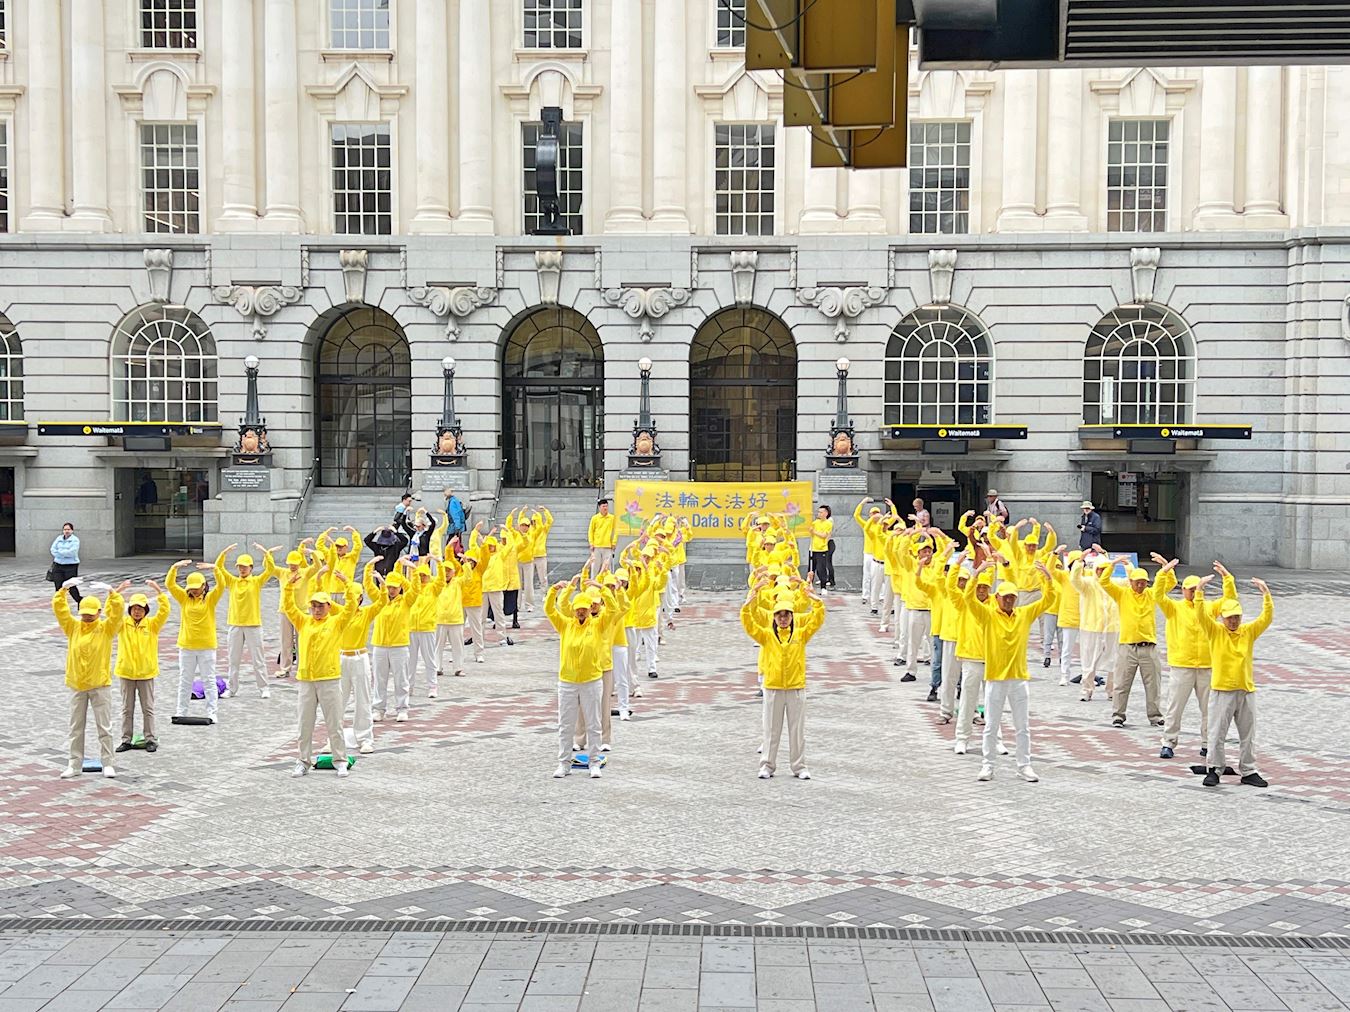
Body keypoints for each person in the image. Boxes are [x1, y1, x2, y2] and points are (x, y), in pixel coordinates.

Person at [964, 559, 1058, 782]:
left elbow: (1049, 600)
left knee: (1022, 726)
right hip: (995, 678)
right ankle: (988, 765)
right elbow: (968, 599)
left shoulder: (1024, 614)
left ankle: (1024, 766)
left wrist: (1048, 578)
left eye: (1012, 597)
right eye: (1005, 597)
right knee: (991, 726)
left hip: (1018, 678)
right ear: (997, 597)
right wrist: (976, 574)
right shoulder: (987, 615)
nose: (1008, 600)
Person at [1152, 556, 1236, 760]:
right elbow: (1158, 595)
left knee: (1209, 708)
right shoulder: (1174, 608)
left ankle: (1207, 743)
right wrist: (1164, 572)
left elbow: (1229, 601)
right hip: (1182, 665)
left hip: (1206, 665)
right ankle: (1168, 742)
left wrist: (1227, 578)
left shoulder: (1209, 607)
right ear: (1183, 590)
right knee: (1175, 707)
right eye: (1190, 589)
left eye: (1197, 589)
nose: (1193, 592)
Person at [282, 565, 361, 778]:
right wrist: (288, 588)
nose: (316, 610)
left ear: (328, 606)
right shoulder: (303, 621)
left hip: (329, 679)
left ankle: (340, 760)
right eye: (314, 606)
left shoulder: (336, 622)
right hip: (307, 680)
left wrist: (347, 585)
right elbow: (289, 607)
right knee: (304, 724)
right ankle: (303, 761)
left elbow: (351, 607)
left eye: (321, 606)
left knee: (334, 723)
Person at [743, 578, 826, 781]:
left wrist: (816, 601)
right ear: (774, 616)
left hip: (796, 688)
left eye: (786, 615)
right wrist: (748, 603)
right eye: (779, 615)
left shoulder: (800, 634)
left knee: (797, 731)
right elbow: (749, 625)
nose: (783, 619)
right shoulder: (766, 635)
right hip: (773, 687)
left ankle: (799, 766)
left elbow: (816, 620)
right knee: (771, 729)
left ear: (791, 616)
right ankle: (767, 765)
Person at [1200, 573, 1273, 788]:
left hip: (1245, 690)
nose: (1233, 621)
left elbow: (1266, 619)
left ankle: (1248, 770)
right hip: (1222, 690)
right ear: (1222, 617)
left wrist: (1266, 594)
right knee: (1217, 733)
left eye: (1237, 617)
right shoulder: (1215, 631)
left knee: (1248, 734)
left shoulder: (1248, 632)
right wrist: (1199, 591)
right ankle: (1214, 768)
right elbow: (1201, 616)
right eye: (1230, 617)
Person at [54, 580, 127, 779]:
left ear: (99, 612)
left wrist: (112, 593)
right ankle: (74, 764)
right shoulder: (73, 627)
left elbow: (118, 612)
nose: (86, 617)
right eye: (84, 613)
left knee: (104, 727)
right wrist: (63, 590)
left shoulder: (106, 628)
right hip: (77, 685)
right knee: (76, 727)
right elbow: (60, 611)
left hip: (100, 685)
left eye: (90, 613)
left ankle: (108, 763)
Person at [545, 576, 615, 780]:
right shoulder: (565, 625)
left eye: (585, 608)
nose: (581, 612)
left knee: (594, 724)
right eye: (578, 608)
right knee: (565, 724)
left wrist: (602, 589)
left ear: (590, 608)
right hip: (567, 681)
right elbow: (550, 610)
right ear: (574, 610)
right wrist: (556, 590)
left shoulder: (598, 625)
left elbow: (612, 609)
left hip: (591, 681)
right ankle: (564, 763)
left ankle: (594, 763)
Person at [1100, 555, 1165, 729]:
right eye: (1137, 582)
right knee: (1121, 683)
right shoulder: (1122, 594)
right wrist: (1112, 564)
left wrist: (1164, 566)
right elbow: (1104, 582)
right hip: (1127, 647)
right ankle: (1118, 715)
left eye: (1143, 582)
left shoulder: (1151, 595)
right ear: (1130, 582)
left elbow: (1167, 584)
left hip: (1148, 647)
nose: (1140, 585)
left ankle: (1155, 716)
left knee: (1153, 685)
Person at [215, 544, 279, 699]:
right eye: (240, 567)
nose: (242, 569)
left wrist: (265, 553)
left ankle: (264, 688)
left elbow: (270, 569)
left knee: (258, 659)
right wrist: (224, 552)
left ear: (251, 568)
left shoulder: (256, 582)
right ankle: (232, 689)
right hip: (235, 625)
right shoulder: (232, 582)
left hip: (253, 626)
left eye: (245, 567)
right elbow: (219, 568)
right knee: (233, 660)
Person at [167, 559, 225, 724]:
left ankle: (212, 713)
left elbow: (221, 585)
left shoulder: (210, 599)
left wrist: (215, 569)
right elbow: (170, 585)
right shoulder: (184, 599)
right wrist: (174, 568)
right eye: (191, 588)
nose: (193, 591)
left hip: (207, 647)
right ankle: (181, 711)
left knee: (209, 680)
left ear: (203, 586)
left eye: (196, 588)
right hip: (187, 647)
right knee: (185, 680)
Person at [114, 581, 169, 754]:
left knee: (148, 709)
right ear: (129, 610)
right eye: (134, 608)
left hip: (146, 673)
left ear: (146, 610)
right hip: (126, 673)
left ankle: (150, 739)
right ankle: (126, 740)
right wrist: (117, 592)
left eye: (140, 608)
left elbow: (165, 610)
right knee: (127, 709)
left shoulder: (152, 625)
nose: (137, 611)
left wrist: (158, 590)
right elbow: (110, 610)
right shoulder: (122, 624)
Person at [339, 562, 385, 755]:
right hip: (342, 658)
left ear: (359, 598)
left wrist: (381, 583)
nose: (348, 601)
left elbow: (382, 602)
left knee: (362, 699)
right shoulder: (338, 611)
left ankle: (365, 738)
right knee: (337, 700)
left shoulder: (366, 613)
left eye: (352, 597)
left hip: (360, 657)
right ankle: (334, 738)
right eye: (347, 597)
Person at [365, 562, 420, 723]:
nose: (391, 590)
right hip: (380, 645)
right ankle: (378, 709)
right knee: (379, 679)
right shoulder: (380, 599)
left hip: (399, 646)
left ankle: (402, 708)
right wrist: (369, 568)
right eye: (389, 587)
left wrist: (413, 570)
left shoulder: (406, 601)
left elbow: (415, 589)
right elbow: (368, 587)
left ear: (400, 587)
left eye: (395, 587)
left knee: (400, 679)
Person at [50, 522, 83, 603]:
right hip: (58, 565)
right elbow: (53, 550)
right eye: (65, 529)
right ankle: (60, 604)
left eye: (68, 529)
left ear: (72, 530)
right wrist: (64, 553)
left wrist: (60, 553)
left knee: (71, 586)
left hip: (71, 566)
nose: (66, 531)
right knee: (58, 587)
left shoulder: (75, 540)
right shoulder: (59, 538)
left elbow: (72, 553)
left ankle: (80, 601)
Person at [588, 498, 618, 571]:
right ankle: (594, 578)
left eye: (606, 506)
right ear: (599, 507)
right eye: (603, 506)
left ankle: (608, 578)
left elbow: (616, 531)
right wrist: (591, 543)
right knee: (595, 566)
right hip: (596, 546)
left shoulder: (612, 518)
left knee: (607, 567)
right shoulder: (595, 518)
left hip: (608, 546)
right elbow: (591, 531)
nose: (605, 508)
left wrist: (614, 543)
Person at [809, 505, 834, 588]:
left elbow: (824, 535)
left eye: (821, 512)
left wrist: (814, 532)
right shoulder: (815, 522)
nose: (819, 514)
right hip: (813, 548)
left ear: (826, 513)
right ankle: (809, 585)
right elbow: (810, 531)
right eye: (818, 512)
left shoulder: (828, 523)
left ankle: (823, 587)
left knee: (821, 569)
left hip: (822, 549)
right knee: (811, 568)